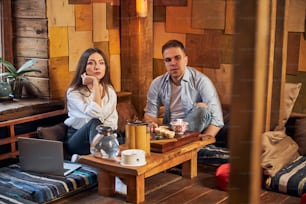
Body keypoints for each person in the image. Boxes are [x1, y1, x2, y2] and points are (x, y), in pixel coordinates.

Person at [144, 39, 224, 139]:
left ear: (185, 60)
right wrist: (152, 124)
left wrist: (204, 140)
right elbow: (150, 114)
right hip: (170, 130)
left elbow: (217, 120)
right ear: (164, 63)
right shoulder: (157, 83)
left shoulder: (201, 81)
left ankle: (177, 141)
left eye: (177, 58)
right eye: (168, 60)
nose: (173, 63)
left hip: (193, 132)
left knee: (202, 110)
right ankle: (173, 141)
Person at [64, 48, 118, 156]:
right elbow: (96, 114)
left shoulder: (110, 91)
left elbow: (112, 122)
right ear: (83, 67)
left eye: (101, 63)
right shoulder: (74, 93)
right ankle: (100, 160)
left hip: (106, 137)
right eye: (91, 63)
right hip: (78, 140)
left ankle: (97, 157)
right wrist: (95, 83)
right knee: (95, 122)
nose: (97, 67)